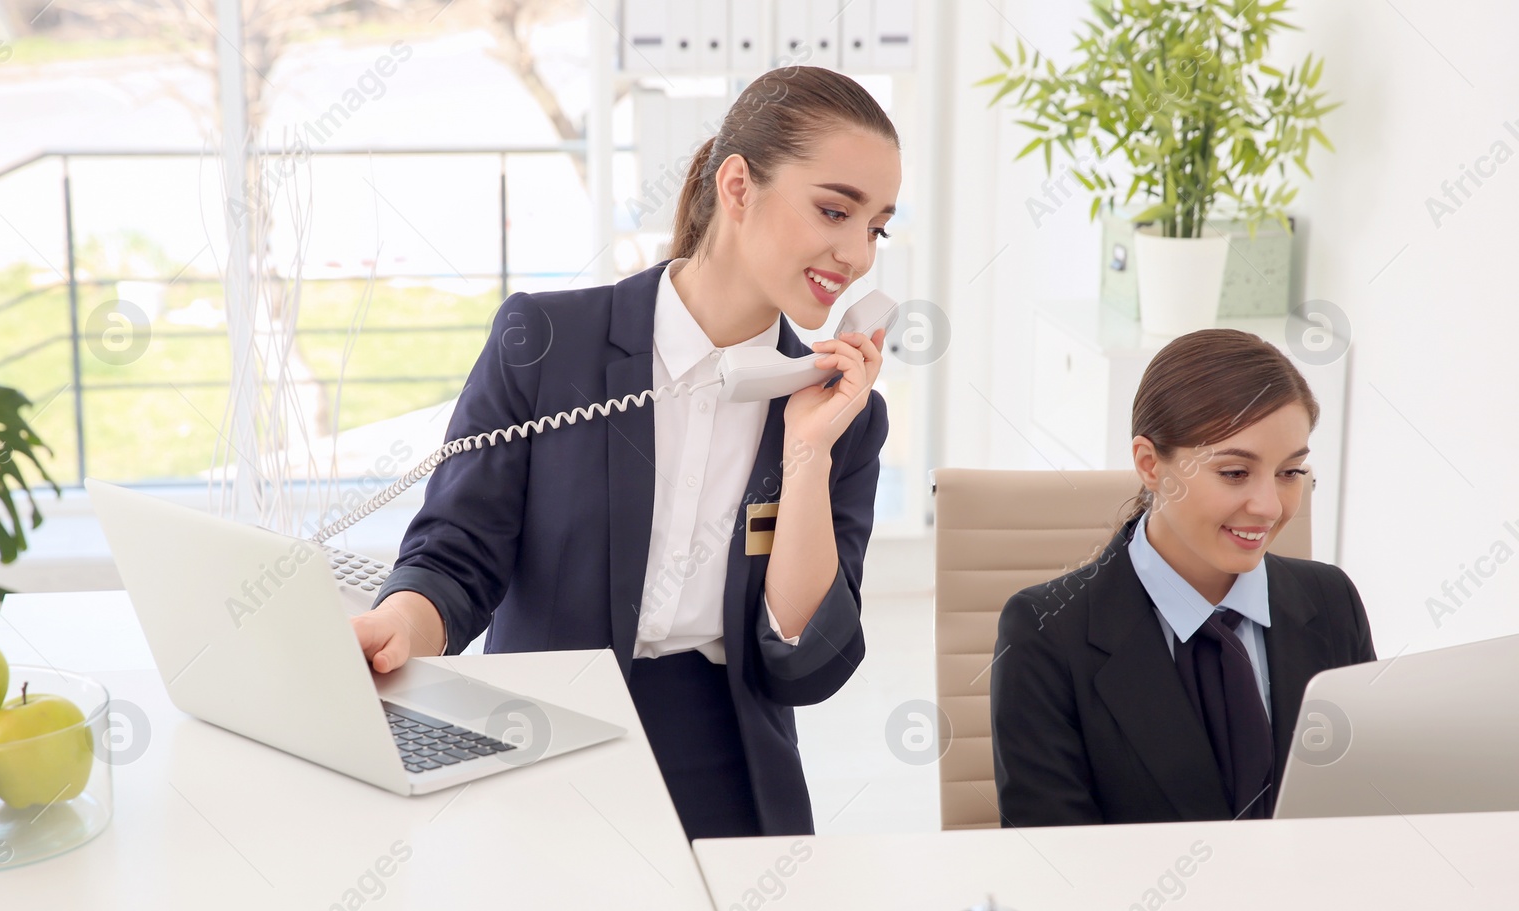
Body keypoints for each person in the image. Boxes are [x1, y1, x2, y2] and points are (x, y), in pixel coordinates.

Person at [351, 65, 900, 840]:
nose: (858, 255)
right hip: (547, 730)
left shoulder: (841, 415)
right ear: (738, 187)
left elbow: (805, 666)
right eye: (835, 210)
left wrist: (806, 449)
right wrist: (404, 623)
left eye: (876, 226)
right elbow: (458, 552)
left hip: (728, 756)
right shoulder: (542, 343)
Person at [991, 329, 1376, 826]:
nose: (1270, 507)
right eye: (1235, 473)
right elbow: (1054, 857)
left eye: (1290, 473)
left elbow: (1365, 807)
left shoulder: (1332, 601)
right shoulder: (1045, 632)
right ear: (1151, 465)